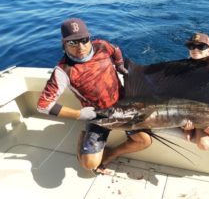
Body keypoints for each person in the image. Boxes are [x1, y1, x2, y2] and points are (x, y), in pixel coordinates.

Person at [37, 18, 153, 175]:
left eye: (84, 40)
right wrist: (80, 114)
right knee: (89, 165)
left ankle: (111, 154)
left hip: (122, 107)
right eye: (73, 43)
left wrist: (119, 66)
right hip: (97, 116)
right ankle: (83, 137)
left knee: (144, 141)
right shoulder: (63, 70)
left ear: (89, 38)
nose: (81, 46)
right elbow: (44, 105)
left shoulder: (102, 46)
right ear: (64, 44)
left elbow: (116, 49)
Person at [182, 32, 209, 150]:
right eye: (192, 46)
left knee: (204, 144)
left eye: (201, 47)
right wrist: (184, 125)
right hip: (187, 112)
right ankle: (189, 128)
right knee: (186, 135)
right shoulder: (181, 68)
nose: (195, 49)